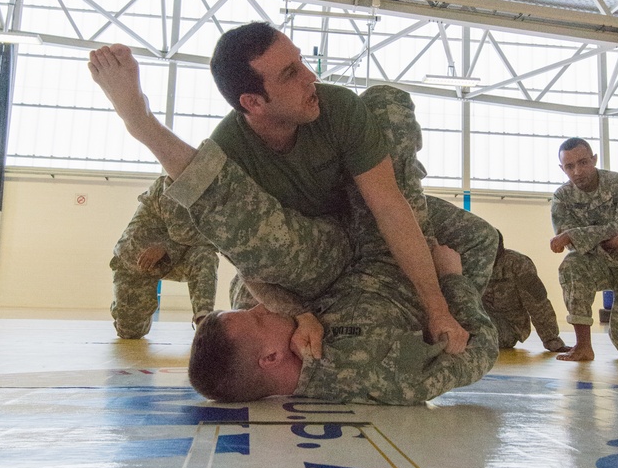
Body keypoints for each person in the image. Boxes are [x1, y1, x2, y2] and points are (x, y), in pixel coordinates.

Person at [89, 26, 485, 356]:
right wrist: (299, 314)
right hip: (312, 250)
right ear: (253, 102)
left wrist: (438, 307)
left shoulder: (338, 108)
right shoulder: (231, 149)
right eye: (290, 73)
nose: (310, 77)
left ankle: (388, 310)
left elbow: (390, 207)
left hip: (368, 219)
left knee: (479, 239)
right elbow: (250, 255)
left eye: (301, 62)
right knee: (267, 279)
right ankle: (141, 123)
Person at [189, 239, 497, 404]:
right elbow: (480, 349)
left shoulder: (270, 320)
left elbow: (250, 271)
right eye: (257, 318)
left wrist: (302, 315)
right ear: (270, 358)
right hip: (415, 250)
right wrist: (451, 277)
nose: (260, 306)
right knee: (482, 238)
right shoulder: (380, 373)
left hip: (349, 231)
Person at [549, 137, 618, 364]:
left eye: (583, 162)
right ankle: (583, 347)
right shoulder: (562, 197)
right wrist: (607, 241)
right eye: (569, 166)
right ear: (562, 169)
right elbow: (569, 246)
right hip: (596, 263)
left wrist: (576, 234)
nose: (577, 171)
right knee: (572, 264)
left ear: (594, 159)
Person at [110, 176, 218, 338]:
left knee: (205, 256)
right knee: (130, 331)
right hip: (137, 259)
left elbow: (214, 238)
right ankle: (122, 306)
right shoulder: (169, 186)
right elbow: (182, 231)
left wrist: (166, 248)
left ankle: (204, 321)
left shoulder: (215, 196)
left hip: (174, 257)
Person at [482, 235, 567, 352]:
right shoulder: (468, 262)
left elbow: (538, 303)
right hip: (480, 317)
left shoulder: (518, 264)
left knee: (474, 333)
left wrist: (552, 340)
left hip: (507, 325)